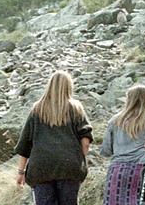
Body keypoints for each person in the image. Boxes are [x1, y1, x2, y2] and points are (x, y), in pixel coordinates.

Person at [14, 70, 93, 205]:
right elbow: (85, 141)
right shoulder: (76, 108)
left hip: (41, 167)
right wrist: (79, 159)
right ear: (69, 86)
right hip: (69, 166)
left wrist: (21, 172)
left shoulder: (37, 109)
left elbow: (25, 145)